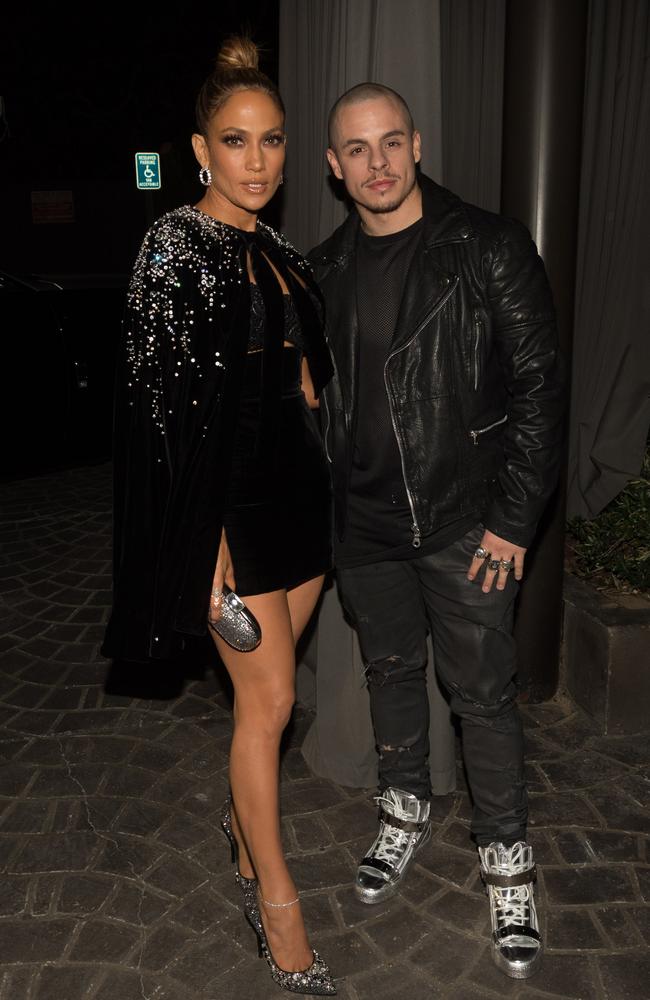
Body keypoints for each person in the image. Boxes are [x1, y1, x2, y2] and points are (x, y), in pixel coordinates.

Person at [309, 83, 565, 980]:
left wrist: (512, 522)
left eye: (389, 142)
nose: (375, 163)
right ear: (335, 167)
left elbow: (539, 390)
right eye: (356, 149)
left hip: (465, 526)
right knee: (388, 674)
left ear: (416, 143)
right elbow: (315, 413)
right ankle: (405, 805)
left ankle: (506, 858)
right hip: (366, 530)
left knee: (484, 698)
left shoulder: (485, 246)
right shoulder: (322, 272)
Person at [102, 37, 337, 996]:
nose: (256, 161)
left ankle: (244, 826)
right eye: (235, 142)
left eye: (272, 141)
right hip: (227, 510)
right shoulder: (173, 247)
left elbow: (306, 382)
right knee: (270, 701)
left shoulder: (276, 249)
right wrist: (199, 549)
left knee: (264, 708)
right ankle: (273, 896)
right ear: (200, 149)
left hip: (302, 505)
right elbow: (156, 410)